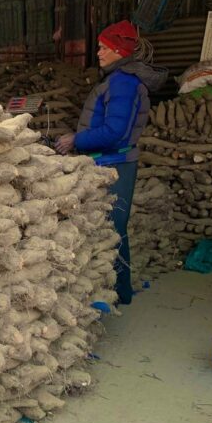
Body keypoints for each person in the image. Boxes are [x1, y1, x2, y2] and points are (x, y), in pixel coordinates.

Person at [55, 20, 167, 305]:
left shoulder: (123, 83)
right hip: (109, 161)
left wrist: (76, 140)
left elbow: (115, 131)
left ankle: (118, 292)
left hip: (115, 164)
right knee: (111, 228)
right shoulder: (119, 79)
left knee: (113, 229)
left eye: (104, 48)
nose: (99, 53)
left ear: (119, 51)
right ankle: (117, 291)